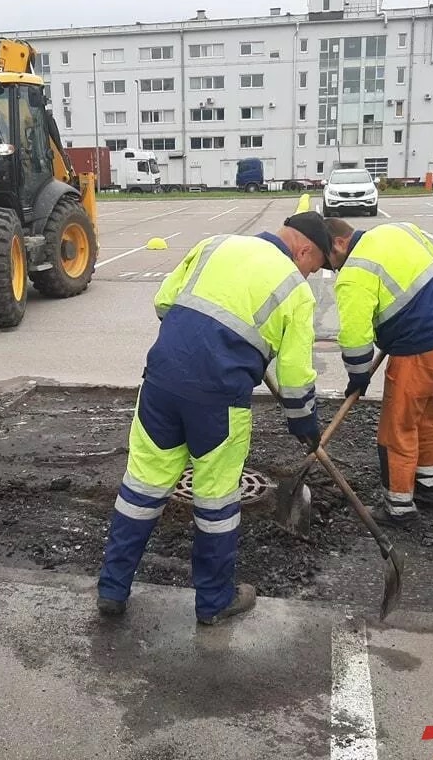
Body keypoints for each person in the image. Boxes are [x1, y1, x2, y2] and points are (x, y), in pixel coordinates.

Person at [96, 210, 337, 625]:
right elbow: (296, 377)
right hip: (218, 402)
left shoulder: (214, 245)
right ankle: (213, 601)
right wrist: (304, 422)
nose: (310, 275)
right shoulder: (295, 289)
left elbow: (164, 303)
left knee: (141, 488)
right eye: (313, 266)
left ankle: (112, 589)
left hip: (160, 383)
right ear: (304, 250)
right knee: (216, 501)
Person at [323, 217, 433, 524]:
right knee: (431, 416)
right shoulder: (401, 230)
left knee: (398, 429)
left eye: (331, 262)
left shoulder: (354, 273)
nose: (334, 269)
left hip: (421, 353)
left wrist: (358, 376)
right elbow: (432, 267)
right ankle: (428, 488)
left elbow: (355, 339)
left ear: (339, 243)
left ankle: (399, 507)